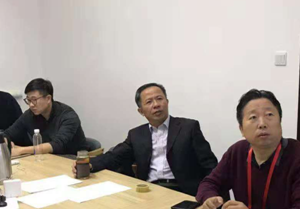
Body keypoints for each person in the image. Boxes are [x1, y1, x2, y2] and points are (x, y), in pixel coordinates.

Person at [72, 83, 217, 196]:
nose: (156, 105)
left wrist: (210, 193)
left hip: (183, 191)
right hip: (149, 190)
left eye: (159, 99)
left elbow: (209, 164)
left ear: (167, 102)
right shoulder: (136, 134)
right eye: (149, 102)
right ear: (141, 111)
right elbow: (115, 156)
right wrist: (89, 164)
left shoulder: (188, 127)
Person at [4, 78, 87, 157]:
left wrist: (21, 150)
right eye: (28, 100)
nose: (31, 105)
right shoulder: (30, 114)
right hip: (48, 157)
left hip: (74, 159)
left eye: (34, 100)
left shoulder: (68, 115)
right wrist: (6, 141)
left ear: (48, 98)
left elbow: (56, 145)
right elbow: (8, 133)